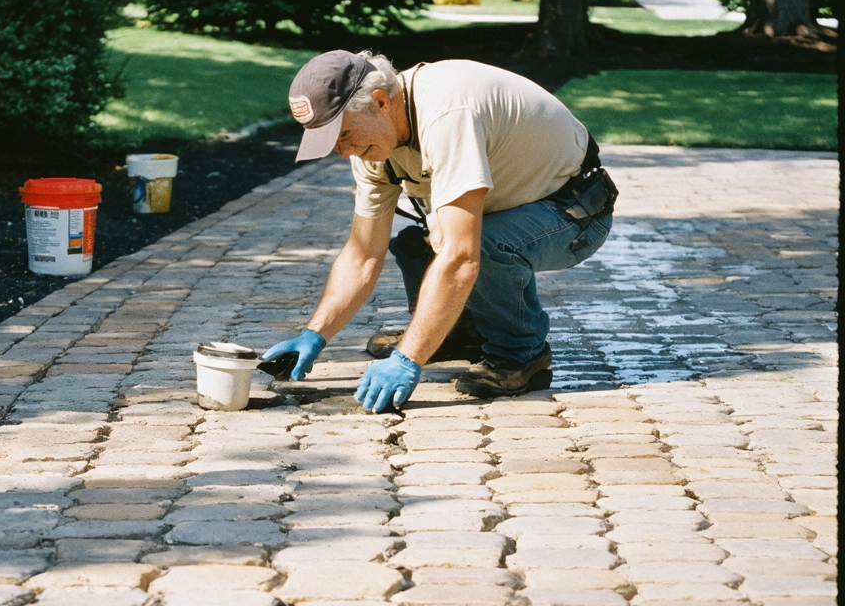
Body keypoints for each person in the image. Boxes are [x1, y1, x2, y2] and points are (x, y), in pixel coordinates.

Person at [262, 50, 616, 412]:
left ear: (381, 102)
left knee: (480, 247)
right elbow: (363, 254)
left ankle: (521, 354)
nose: (344, 152)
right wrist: (315, 333)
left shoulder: (448, 114)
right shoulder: (371, 145)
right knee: (416, 245)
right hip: (515, 207)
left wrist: (408, 358)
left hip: (575, 212)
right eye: (334, 143)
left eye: (345, 135)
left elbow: (463, 258)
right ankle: (455, 333)